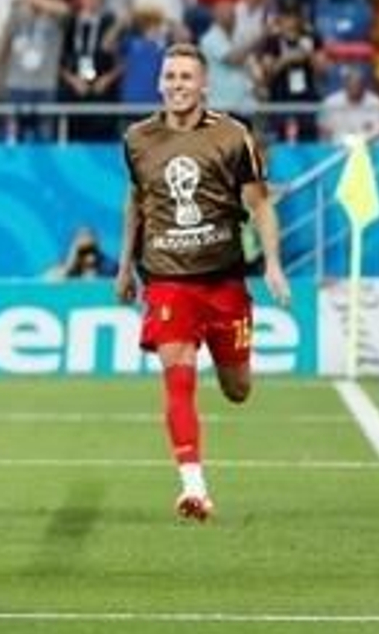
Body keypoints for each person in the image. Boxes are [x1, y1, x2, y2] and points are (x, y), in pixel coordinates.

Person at [115, 43, 291, 522]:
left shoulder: (234, 136)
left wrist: (272, 262)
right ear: (159, 83)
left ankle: (221, 354)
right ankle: (193, 486)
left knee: (238, 389)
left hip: (225, 283)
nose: (177, 85)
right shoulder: (138, 139)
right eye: (170, 76)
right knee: (178, 376)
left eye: (186, 77)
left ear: (204, 84)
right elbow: (136, 202)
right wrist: (125, 265)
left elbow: (259, 204)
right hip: (169, 281)